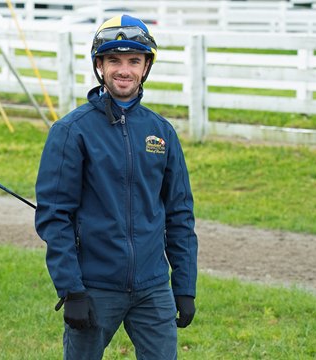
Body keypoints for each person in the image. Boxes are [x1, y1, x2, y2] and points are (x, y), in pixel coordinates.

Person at [35, 14, 198, 360]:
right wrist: (72, 290)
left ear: (145, 67)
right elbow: (54, 216)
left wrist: (184, 287)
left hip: (153, 288)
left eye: (133, 61)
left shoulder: (162, 133)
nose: (124, 70)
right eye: (114, 60)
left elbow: (180, 213)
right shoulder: (70, 131)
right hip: (94, 288)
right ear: (99, 65)